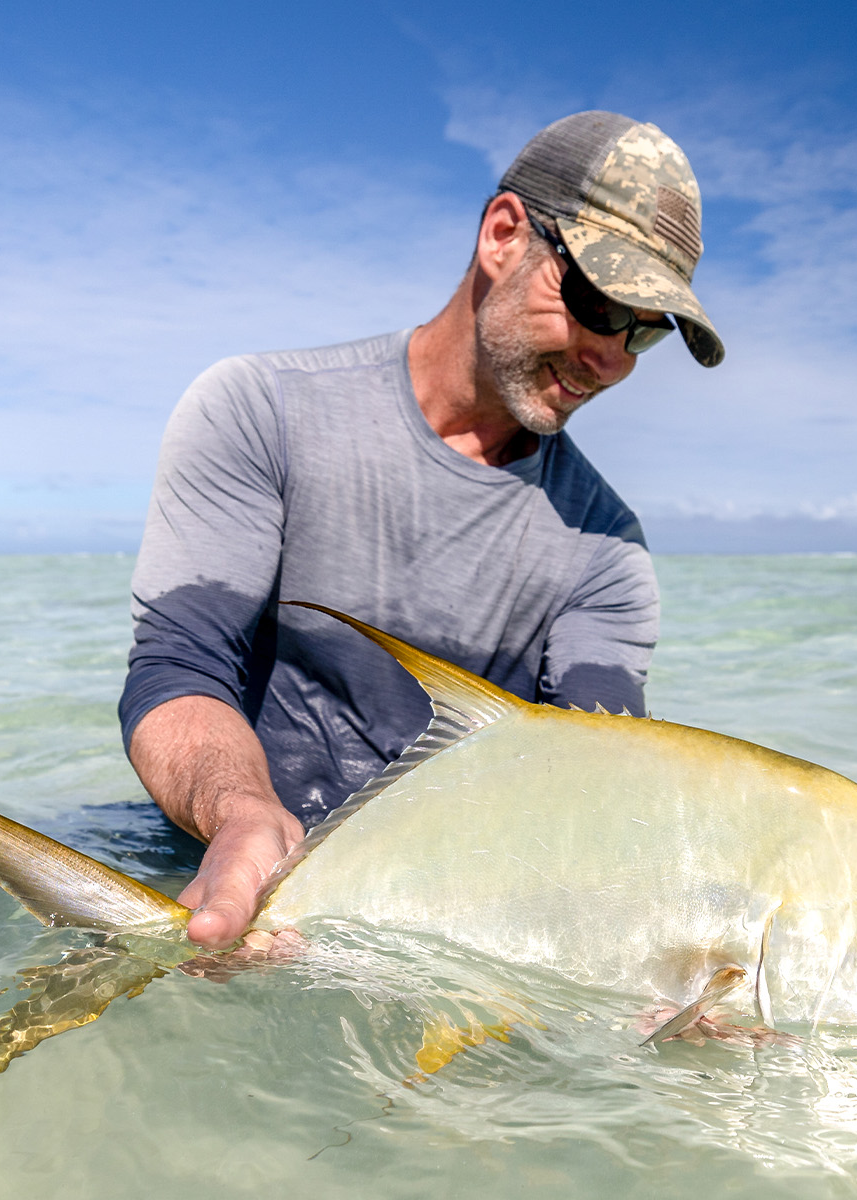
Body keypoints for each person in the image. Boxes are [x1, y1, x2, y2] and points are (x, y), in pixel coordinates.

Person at [119, 110, 726, 950]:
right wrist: (242, 816)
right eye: (597, 301)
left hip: (440, 934)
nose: (611, 357)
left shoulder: (606, 553)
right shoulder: (262, 410)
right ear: (503, 234)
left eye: (646, 330)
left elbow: (596, 790)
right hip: (208, 871)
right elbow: (179, 665)